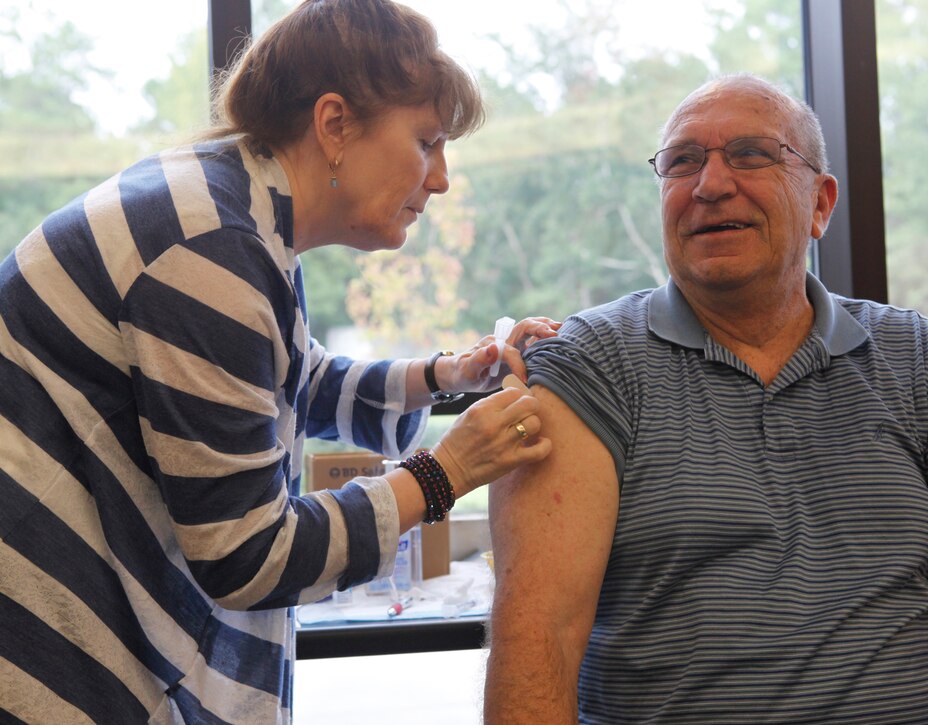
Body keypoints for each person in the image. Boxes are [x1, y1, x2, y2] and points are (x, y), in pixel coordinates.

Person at [0, 1, 557, 723]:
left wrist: (448, 376)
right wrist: (443, 475)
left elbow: (294, 379)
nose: (442, 178)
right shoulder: (207, 247)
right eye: (427, 141)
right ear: (335, 125)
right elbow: (248, 555)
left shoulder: (231, 210)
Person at [484, 72, 928, 723]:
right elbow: (537, 635)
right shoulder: (586, 363)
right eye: (682, 162)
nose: (710, 185)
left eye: (750, 154)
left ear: (821, 203)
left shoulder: (921, 359)